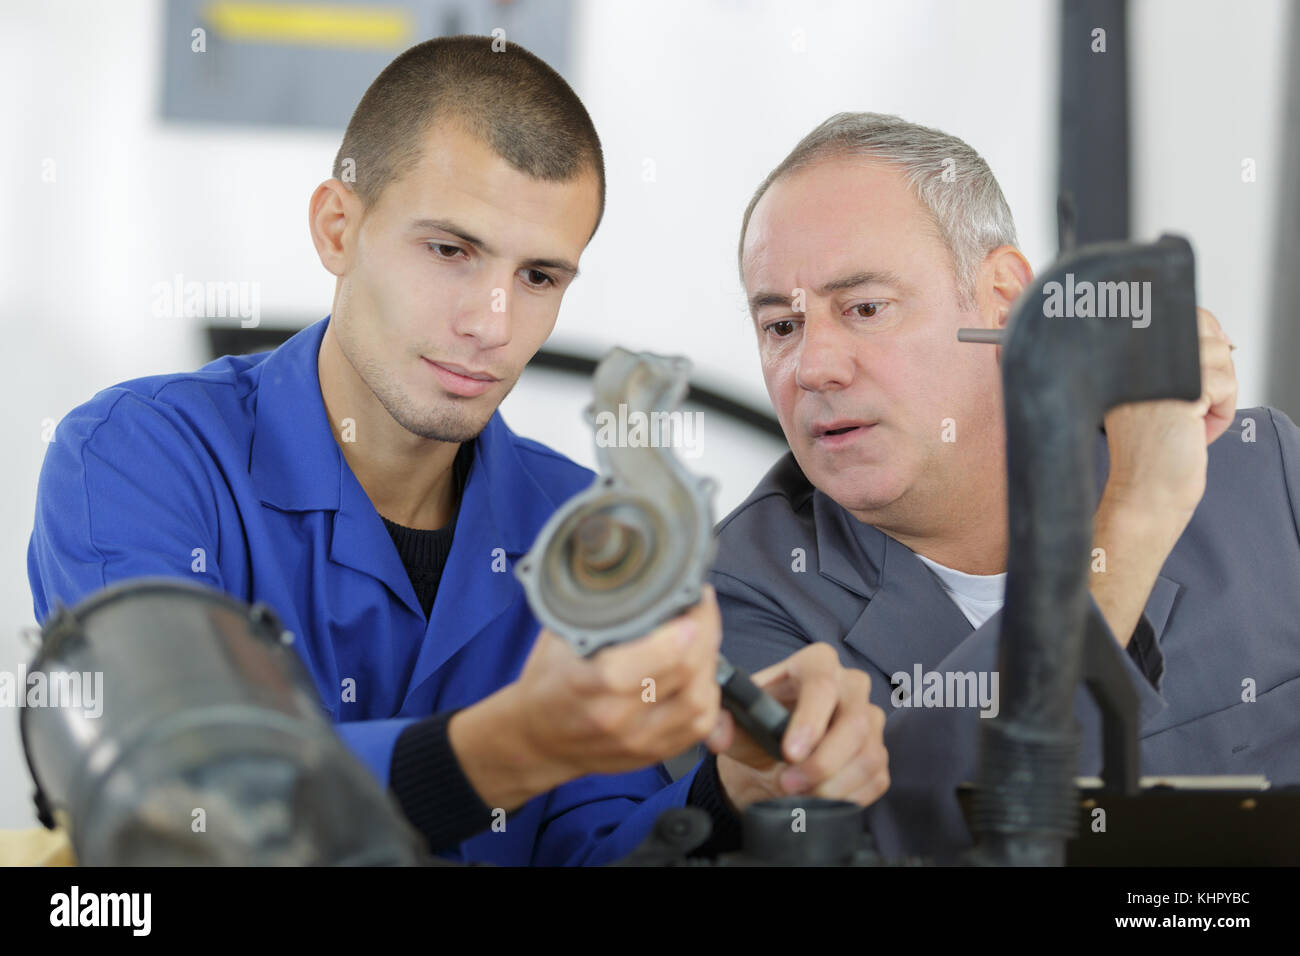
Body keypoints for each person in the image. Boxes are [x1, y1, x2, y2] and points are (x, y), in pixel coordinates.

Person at [26, 38, 887, 866]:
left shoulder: (578, 528)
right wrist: (508, 748)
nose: (492, 325)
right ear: (337, 227)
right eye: (449, 250)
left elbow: (588, 848)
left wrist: (728, 791)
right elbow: (178, 811)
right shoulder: (138, 461)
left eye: (539, 277)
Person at [713, 111, 1300, 862]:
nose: (813, 367)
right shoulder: (740, 594)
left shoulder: (1262, 474)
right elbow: (911, 836)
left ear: (1004, 301)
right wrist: (1133, 519)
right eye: (780, 328)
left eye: (864, 308)